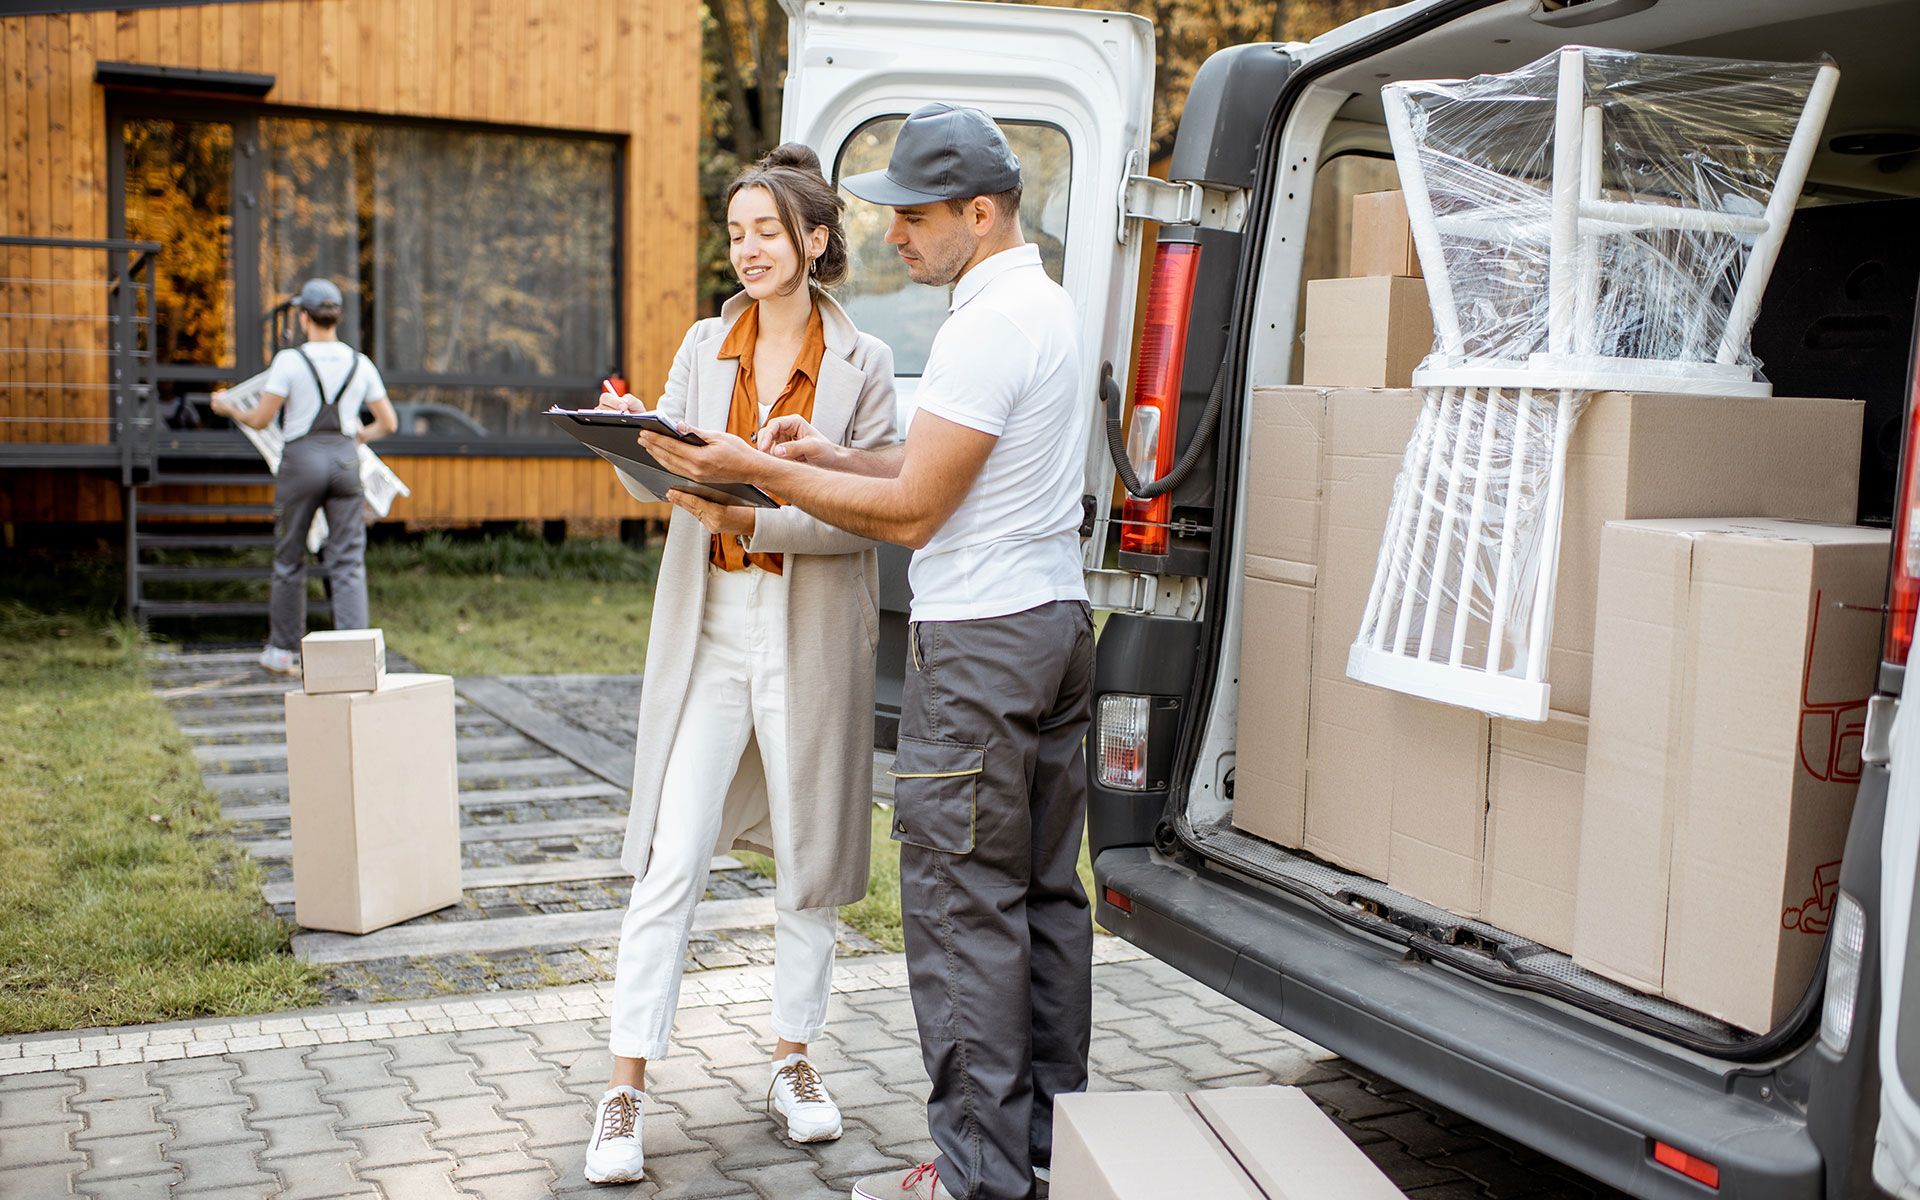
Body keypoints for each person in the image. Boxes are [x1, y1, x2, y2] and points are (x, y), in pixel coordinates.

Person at [643, 104, 1093, 1200]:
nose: (893, 235)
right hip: (1051, 628)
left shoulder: (984, 328)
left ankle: (977, 1177)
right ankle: (1044, 1150)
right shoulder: (1049, 306)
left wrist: (763, 468)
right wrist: (830, 450)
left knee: (959, 919)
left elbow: (913, 514)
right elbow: (927, 472)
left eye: (916, 218)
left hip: (980, 655)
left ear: (980, 214)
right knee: (1041, 907)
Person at [580, 143, 899, 1186]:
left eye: (767, 231)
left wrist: (756, 516)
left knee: (807, 863)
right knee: (672, 857)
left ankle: (794, 1060)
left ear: (813, 241)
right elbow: (662, 483)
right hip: (710, 630)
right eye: (735, 232)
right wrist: (635, 441)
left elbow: (871, 518)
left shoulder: (869, 367)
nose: (748, 249)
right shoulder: (704, 343)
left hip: (807, 636)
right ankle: (624, 1088)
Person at [211, 278, 398, 675]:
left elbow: (261, 420)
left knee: (290, 559)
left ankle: (282, 653)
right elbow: (388, 422)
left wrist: (229, 409)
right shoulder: (359, 362)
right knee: (347, 560)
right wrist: (358, 435)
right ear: (337, 317)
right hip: (346, 462)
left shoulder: (290, 361)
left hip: (301, 462)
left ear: (302, 317)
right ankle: (355, 658)